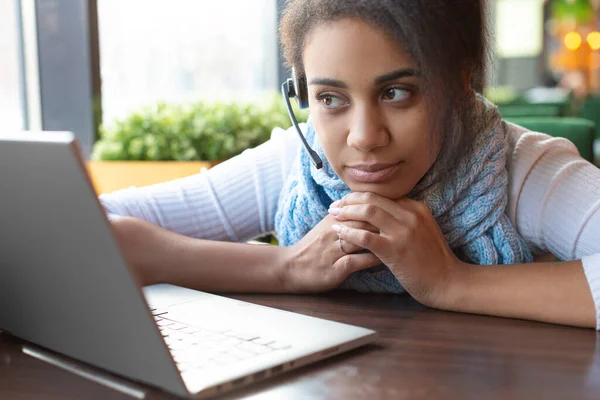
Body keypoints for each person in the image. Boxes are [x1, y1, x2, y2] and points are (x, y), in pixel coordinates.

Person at [100, 0, 600, 329]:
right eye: (331, 98)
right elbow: (87, 227)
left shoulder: (519, 171)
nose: (364, 137)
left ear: (459, 82)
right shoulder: (297, 166)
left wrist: (451, 281)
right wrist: (284, 268)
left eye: (397, 92)